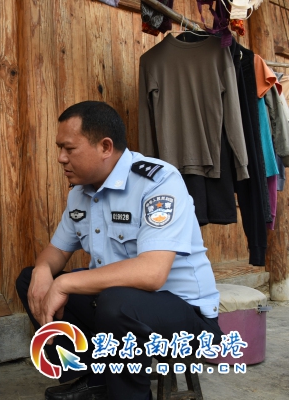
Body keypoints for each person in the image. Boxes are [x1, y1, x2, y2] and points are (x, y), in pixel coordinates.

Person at [16, 101, 224, 400]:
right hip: (116, 307)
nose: (61, 158)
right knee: (32, 281)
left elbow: (151, 273)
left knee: (116, 302)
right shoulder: (81, 193)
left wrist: (64, 283)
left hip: (186, 318)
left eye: (69, 149)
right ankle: (94, 378)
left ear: (105, 146)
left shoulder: (158, 182)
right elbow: (56, 252)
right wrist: (42, 271)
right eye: (59, 148)